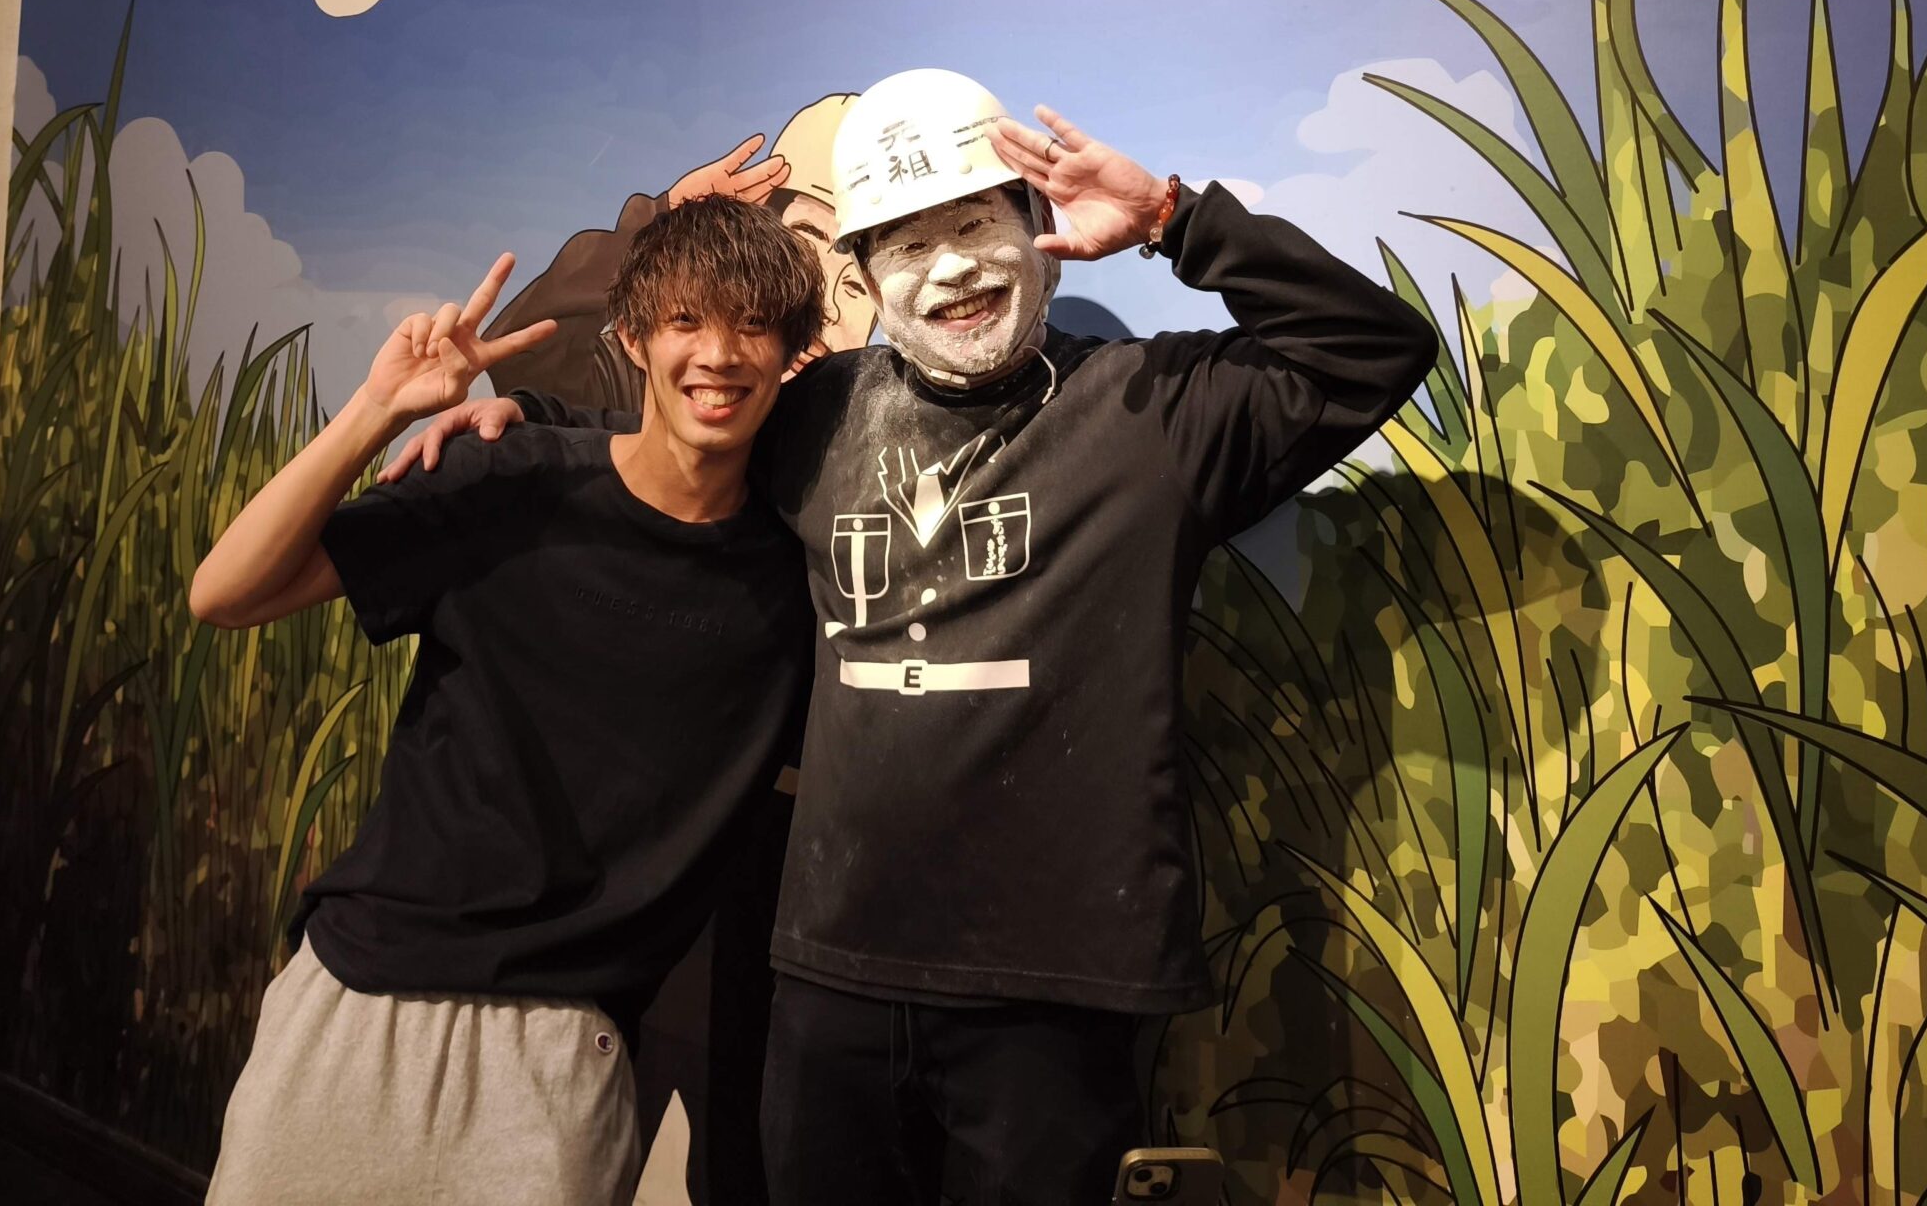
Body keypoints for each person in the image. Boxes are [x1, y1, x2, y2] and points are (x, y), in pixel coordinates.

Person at [399, 68, 1438, 1206]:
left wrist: (1169, 218)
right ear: (860, 276)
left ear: (1037, 232)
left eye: (976, 225)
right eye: (905, 243)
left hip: (1056, 992)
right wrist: (529, 415)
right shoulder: (817, 412)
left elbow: (1372, 348)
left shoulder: (1158, 411)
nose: (951, 270)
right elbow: (672, 446)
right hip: (831, 973)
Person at [192, 199, 824, 1206]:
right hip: (367, 989)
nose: (718, 354)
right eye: (685, 320)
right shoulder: (510, 480)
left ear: (794, 355)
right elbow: (225, 594)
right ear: (633, 339)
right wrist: (377, 411)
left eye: (754, 325)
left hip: (567, 1044)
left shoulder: (798, 576)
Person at [486, 93, 877, 411]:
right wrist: (655, 226)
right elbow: (523, 360)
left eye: (855, 287)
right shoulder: (652, 380)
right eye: (804, 248)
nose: (828, 307)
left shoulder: (875, 434)